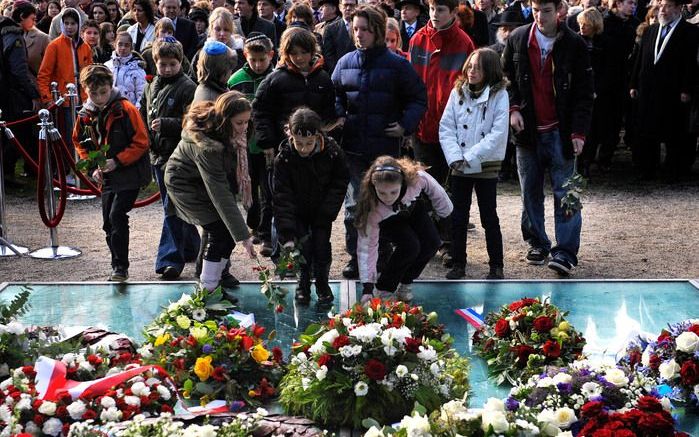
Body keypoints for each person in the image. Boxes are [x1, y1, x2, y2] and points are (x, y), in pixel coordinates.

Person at [332, 5, 427, 279]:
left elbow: (418, 98)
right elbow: (336, 93)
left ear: (376, 30)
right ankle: (355, 258)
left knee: (384, 204)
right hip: (352, 147)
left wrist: (405, 124)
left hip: (384, 152)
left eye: (364, 29)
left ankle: (382, 254)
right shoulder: (345, 62)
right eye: (355, 29)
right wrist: (339, 115)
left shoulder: (398, 65)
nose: (359, 34)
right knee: (353, 207)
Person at [502, 0, 594, 276]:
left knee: (569, 194)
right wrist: (513, 108)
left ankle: (566, 252)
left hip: (562, 130)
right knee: (529, 190)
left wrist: (579, 132)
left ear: (560, 11)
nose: (540, 16)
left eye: (546, 10)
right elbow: (506, 80)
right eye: (535, 10)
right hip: (527, 131)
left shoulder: (575, 45)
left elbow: (584, 92)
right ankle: (537, 242)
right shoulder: (518, 38)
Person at [252, 26, 336, 256]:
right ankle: (282, 254)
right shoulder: (276, 79)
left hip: (314, 152)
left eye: (303, 53)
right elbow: (260, 110)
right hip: (283, 150)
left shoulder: (323, 78)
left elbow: (329, 113)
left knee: (310, 202)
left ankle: (310, 253)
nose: (299, 58)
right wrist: (267, 142)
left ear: (312, 52)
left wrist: (327, 140)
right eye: (293, 53)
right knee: (282, 203)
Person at [164, 92, 257, 291]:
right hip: (184, 184)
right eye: (239, 123)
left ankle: (216, 284)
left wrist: (239, 233)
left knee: (226, 234)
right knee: (220, 232)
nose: (245, 127)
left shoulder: (231, 133)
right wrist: (244, 236)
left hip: (201, 181)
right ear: (225, 120)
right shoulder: (207, 146)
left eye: (247, 122)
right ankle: (208, 292)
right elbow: (220, 194)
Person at [73, 64, 150, 282]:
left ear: (111, 86)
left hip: (130, 172)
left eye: (103, 92)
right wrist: (92, 166)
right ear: (86, 91)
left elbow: (142, 141)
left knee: (117, 215)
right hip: (106, 174)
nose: (98, 98)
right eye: (93, 93)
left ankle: (120, 267)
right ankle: (116, 263)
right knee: (107, 222)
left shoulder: (126, 109)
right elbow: (79, 141)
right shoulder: (85, 113)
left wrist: (117, 160)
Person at [409, 0, 475, 255]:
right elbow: (412, 82)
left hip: (452, 131)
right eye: (433, 9)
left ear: (453, 12)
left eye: (441, 10)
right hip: (422, 127)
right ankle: (432, 239)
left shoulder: (464, 43)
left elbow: (468, 88)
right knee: (426, 187)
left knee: (452, 190)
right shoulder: (417, 40)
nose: (435, 15)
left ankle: (451, 244)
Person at [439, 48, 508, 280]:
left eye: (477, 67)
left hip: (485, 165)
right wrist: (455, 156)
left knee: (489, 216)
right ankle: (458, 263)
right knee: (458, 216)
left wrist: (471, 156)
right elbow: (446, 127)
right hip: (459, 165)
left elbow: (497, 133)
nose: (472, 71)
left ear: (489, 70)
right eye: (470, 65)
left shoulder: (500, 95)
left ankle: (496, 265)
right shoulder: (457, 92)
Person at [273, 107, 349, 305]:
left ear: (318, 136)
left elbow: (339, 183)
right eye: (299, 143)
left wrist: (328, 212)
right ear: (290, 135)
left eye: (308, 143)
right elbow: (282, 196)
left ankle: (322, 284)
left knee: (322, 247)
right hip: (297, 212)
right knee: (302, 250)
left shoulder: (332, 153)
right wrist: (287, 232)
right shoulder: (284, 158)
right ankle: (302, 284)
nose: (303, 148)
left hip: (322, 211)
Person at [139, 37, 200, 280]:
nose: (166, 69)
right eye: (162, 64)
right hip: (157, 153)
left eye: (171, 64)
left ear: (180, 62)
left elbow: (193, 121)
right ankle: (191, 246)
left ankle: (170, 260)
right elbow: (144, 109)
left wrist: (167, 125)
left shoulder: (188, 87)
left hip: (177, 156)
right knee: (175, 204)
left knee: (171, 207)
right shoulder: (152, 85)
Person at [355, 156, 453, 304]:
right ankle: (384, 288)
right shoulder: (371, 208)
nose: (388, 198)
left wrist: (445, 214)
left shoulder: (416, 178)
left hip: (412, 207)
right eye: (382, 193)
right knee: (410, 246)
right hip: (388, 219)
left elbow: (435, 190)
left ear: (402, 181)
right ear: (373, 186)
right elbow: (367, 248)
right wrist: (367, 288)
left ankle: (406, 282)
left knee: (432, 242)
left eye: (393, 192)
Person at [629, 0, 698, 181]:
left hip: (674, 91)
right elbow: (640, 59)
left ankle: (674, 169)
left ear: (677, 8)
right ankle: (647, 167)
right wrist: (633, 83)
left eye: (667, 6)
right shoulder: (650, 31)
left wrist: (687, 88)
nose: (662, 10)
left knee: (674, 131)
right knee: (647, 129)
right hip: (648, 89)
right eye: (661, 6)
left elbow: (691, 64)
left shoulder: (690, 32)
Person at [228, 33, 275, 258]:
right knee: (249, 187)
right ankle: (255, 224)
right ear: (245, 55)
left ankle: (266, 233)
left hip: (268, 146)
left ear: (270, 56)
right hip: (244, 145)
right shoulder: (236, 80)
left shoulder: (276, 78)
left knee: (268, 190)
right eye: (252, 60)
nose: (257, 65)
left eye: (261, 60)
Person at [37, 8, 93, 139]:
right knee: (69, 138)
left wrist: (90, 97)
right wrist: (48, 99)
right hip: (64, 103)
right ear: (61, 24)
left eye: (73, 23)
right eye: (66, 23)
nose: (69, 27)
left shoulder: (85, 47)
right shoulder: (54, 46)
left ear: (78, 24)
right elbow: (43, 75)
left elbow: (90, 75)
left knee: (86, 138)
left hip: (84, 102)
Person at [0, 5, 40, 184]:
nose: (34, 22)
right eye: (32, 18)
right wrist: (33, 93)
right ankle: (7, 172)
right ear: (22, 17)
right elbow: (18, 71)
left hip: (5, 91)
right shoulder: (15, 37)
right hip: (13, 93)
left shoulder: (4, 33)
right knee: (18, 133)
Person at [105, 31, 147, 107]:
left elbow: (141, 95)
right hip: (109, 110)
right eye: (120, 44)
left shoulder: (138, 69)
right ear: (115, 45)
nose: (123, 48)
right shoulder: (107, 66)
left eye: (127, 45)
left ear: (131, 47)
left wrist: (136, 111)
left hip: (129, 111)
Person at [320, 0, 355, 73]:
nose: (348, 8)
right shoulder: (330, 29)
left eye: (351, 5)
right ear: (340, 7)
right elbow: (328, 56)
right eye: (345, 5)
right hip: (338, 74)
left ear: (357, 7)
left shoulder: (363, 27)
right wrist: (338, 73)